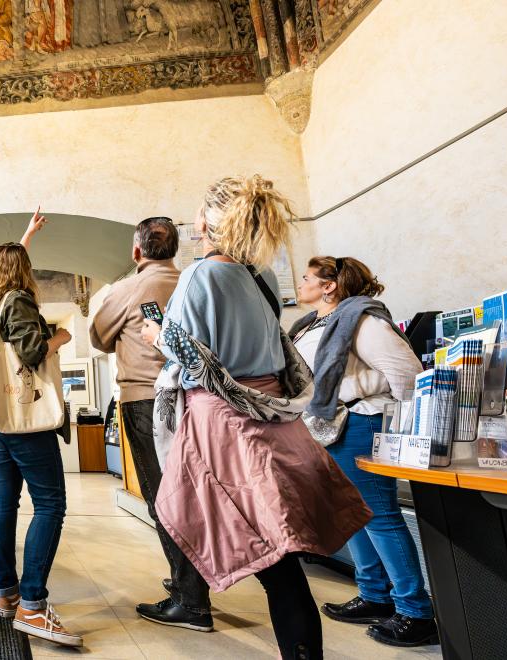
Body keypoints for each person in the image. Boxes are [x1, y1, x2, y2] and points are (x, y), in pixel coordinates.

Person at [141, 175, 371, 660]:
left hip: (227, 429)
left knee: (279, 569)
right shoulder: (261, 276)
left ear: (204, 221)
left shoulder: (200, 276)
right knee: (284, 564)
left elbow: (188, 358)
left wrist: (155, 337)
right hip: (276, 421)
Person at [291, 256, 439, 647]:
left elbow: (407, 374)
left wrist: (398, 427)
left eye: (308, 277)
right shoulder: (312, 325)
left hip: (361, 422)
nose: (300, 282)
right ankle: (375, 595)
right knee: (351, 513)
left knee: (380, 517)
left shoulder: (362, 319)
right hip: (330, 426)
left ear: (330, 286)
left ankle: (415, 612)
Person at [89, 217, 215, 632]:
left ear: (137, 252)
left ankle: (190, 601)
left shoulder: (127, 290)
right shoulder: (195, 282)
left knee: (163, 498)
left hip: (146, 401)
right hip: (198, 400)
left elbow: (99, 337)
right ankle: (191, 580)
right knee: (192, 494)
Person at [0, 212, 81, 648]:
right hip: (21, 416)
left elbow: (10, 264)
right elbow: (33, 352)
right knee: (50, 504)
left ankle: (7, 594)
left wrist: (27, 236)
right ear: (20, 273)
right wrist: (58, 337)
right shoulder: (18, 299)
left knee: (3, 500)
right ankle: (33, 606)